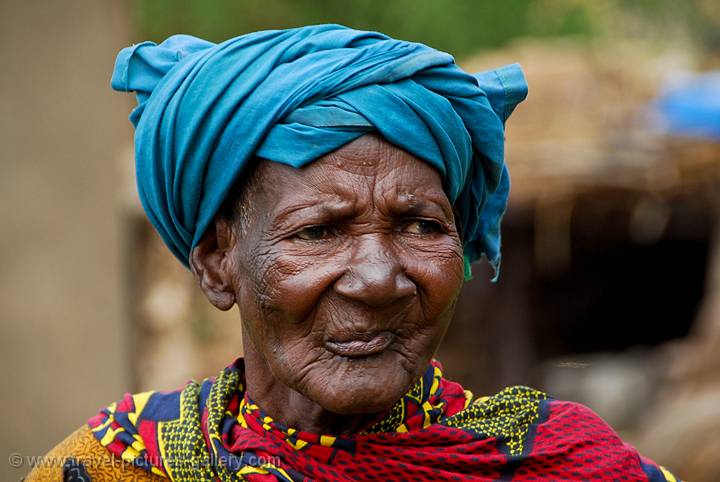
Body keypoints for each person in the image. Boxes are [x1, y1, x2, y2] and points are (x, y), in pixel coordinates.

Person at [26, 25, 680, 481]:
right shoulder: (119, 466)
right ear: (215, 262)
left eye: (421, 225)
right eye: (319, 231)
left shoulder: (565, 465)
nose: (377, 279)